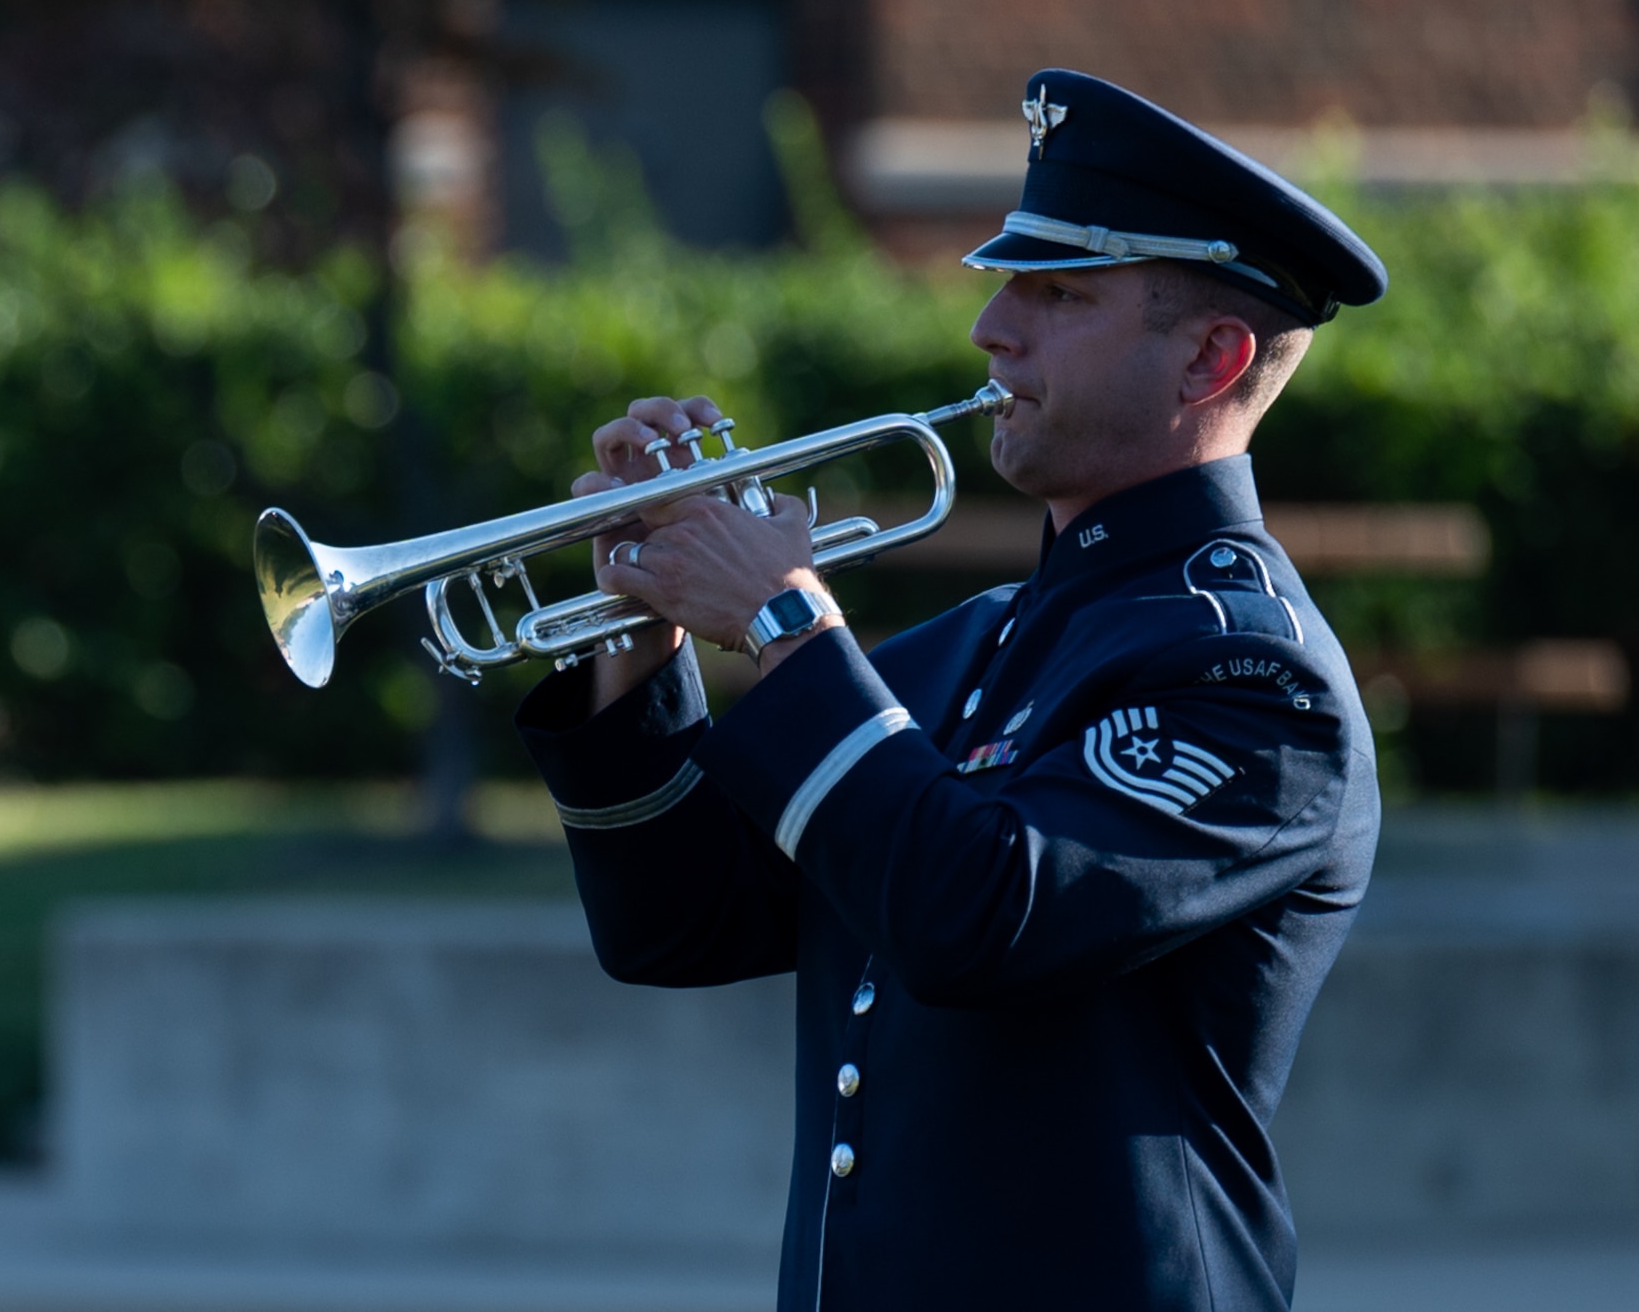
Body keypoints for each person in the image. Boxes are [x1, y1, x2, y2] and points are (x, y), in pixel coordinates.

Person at [515, 69, 1386, 1310]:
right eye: (1003, 286)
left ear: (1210, 355)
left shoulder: (1252, 675)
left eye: (1056, 294)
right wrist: (640, 634)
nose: (992, 329)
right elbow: (677, 923)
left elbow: (977, 913)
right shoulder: (968, 646)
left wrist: (780, 615)